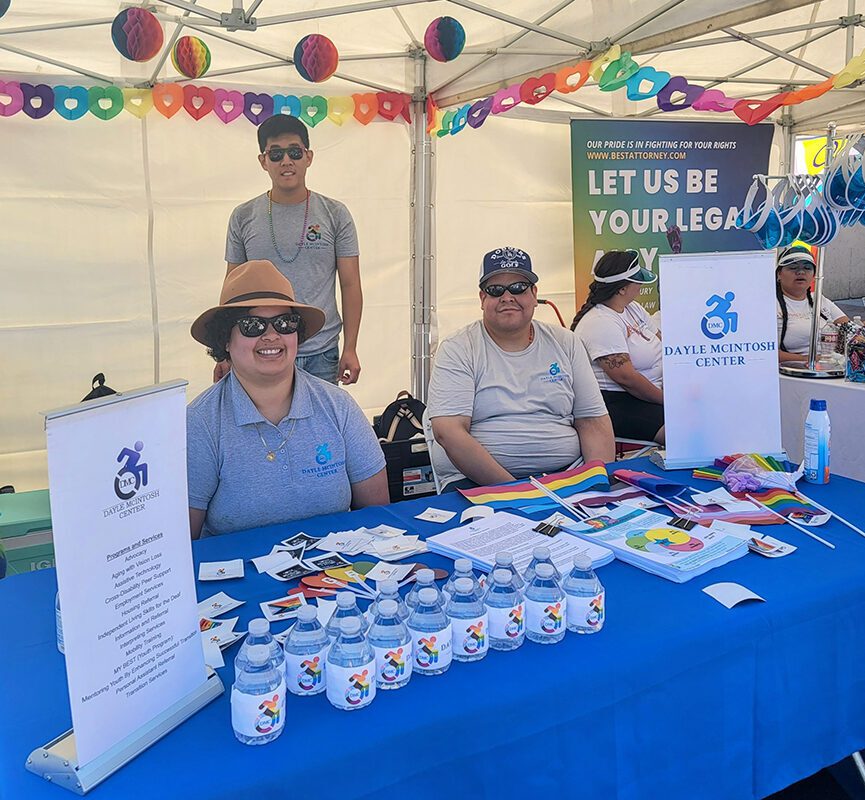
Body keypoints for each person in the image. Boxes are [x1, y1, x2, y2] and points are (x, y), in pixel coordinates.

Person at [187, 260, 388, 538]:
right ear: (225, 340)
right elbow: (184, 543)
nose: (271, 336)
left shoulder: (339, 407)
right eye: (251, 325)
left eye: (284, 323)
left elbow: (378, 518)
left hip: (334, 577)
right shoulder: (200, 423)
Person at [427, 246, 614, 491]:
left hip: (567, 475)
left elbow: (593, 422)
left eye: (518, 287)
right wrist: (518, 492)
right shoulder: (458, 348)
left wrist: (597, 485)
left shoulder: (566, 342)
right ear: (482, 299)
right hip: (478, 484)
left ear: (534, 295)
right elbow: (449, 433)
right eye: (495, 290)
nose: (508, 297)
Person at [222, 114, 362, 385]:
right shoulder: (243, 216)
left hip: (321, 351)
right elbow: (232, 287)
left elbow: (350, 283)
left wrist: (350, 347)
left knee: (319, 427)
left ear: (308, 157)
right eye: (276, 154)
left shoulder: (335, 214)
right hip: (260, 348)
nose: (286, 161)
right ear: (263, 161)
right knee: (261, 425)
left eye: (295, 152)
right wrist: (224, 350)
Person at [572, 250, 665, 445]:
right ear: (622, 289)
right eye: (637, 281)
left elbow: (661, 340)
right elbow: (627, 379)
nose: (640, 286)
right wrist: (669, 401)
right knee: (688, 428)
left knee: (705, 411)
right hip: (618, 403)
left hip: (649, 395)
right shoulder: (600, 322)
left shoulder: (633, 308)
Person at [776, 245, 848, 362]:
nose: (800, 272)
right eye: (793, 267)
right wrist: (809, 360)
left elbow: (848, 327)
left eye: (807, 268)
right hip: (793, 371)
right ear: (779, 274)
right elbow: (765, 352)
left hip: (834, 365)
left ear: (814, 275)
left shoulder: (819, 299)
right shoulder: (770, 305)